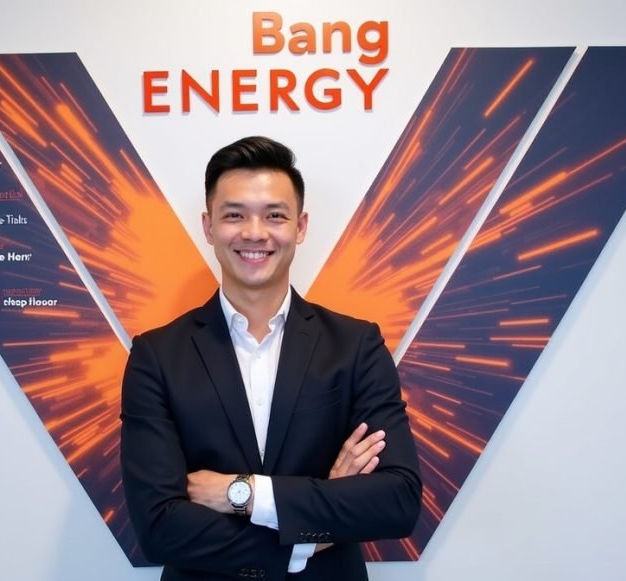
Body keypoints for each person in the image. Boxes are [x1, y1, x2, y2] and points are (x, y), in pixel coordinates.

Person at [120, 136, 421, 580]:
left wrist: (244, 493)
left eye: (274, 215)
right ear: (208, 227)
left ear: (300, 227)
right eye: (234, 215)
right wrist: (311, 532)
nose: (255, 233)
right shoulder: (158, 356)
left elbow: (397, 500)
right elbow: (159, 527)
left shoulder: (356, 345)